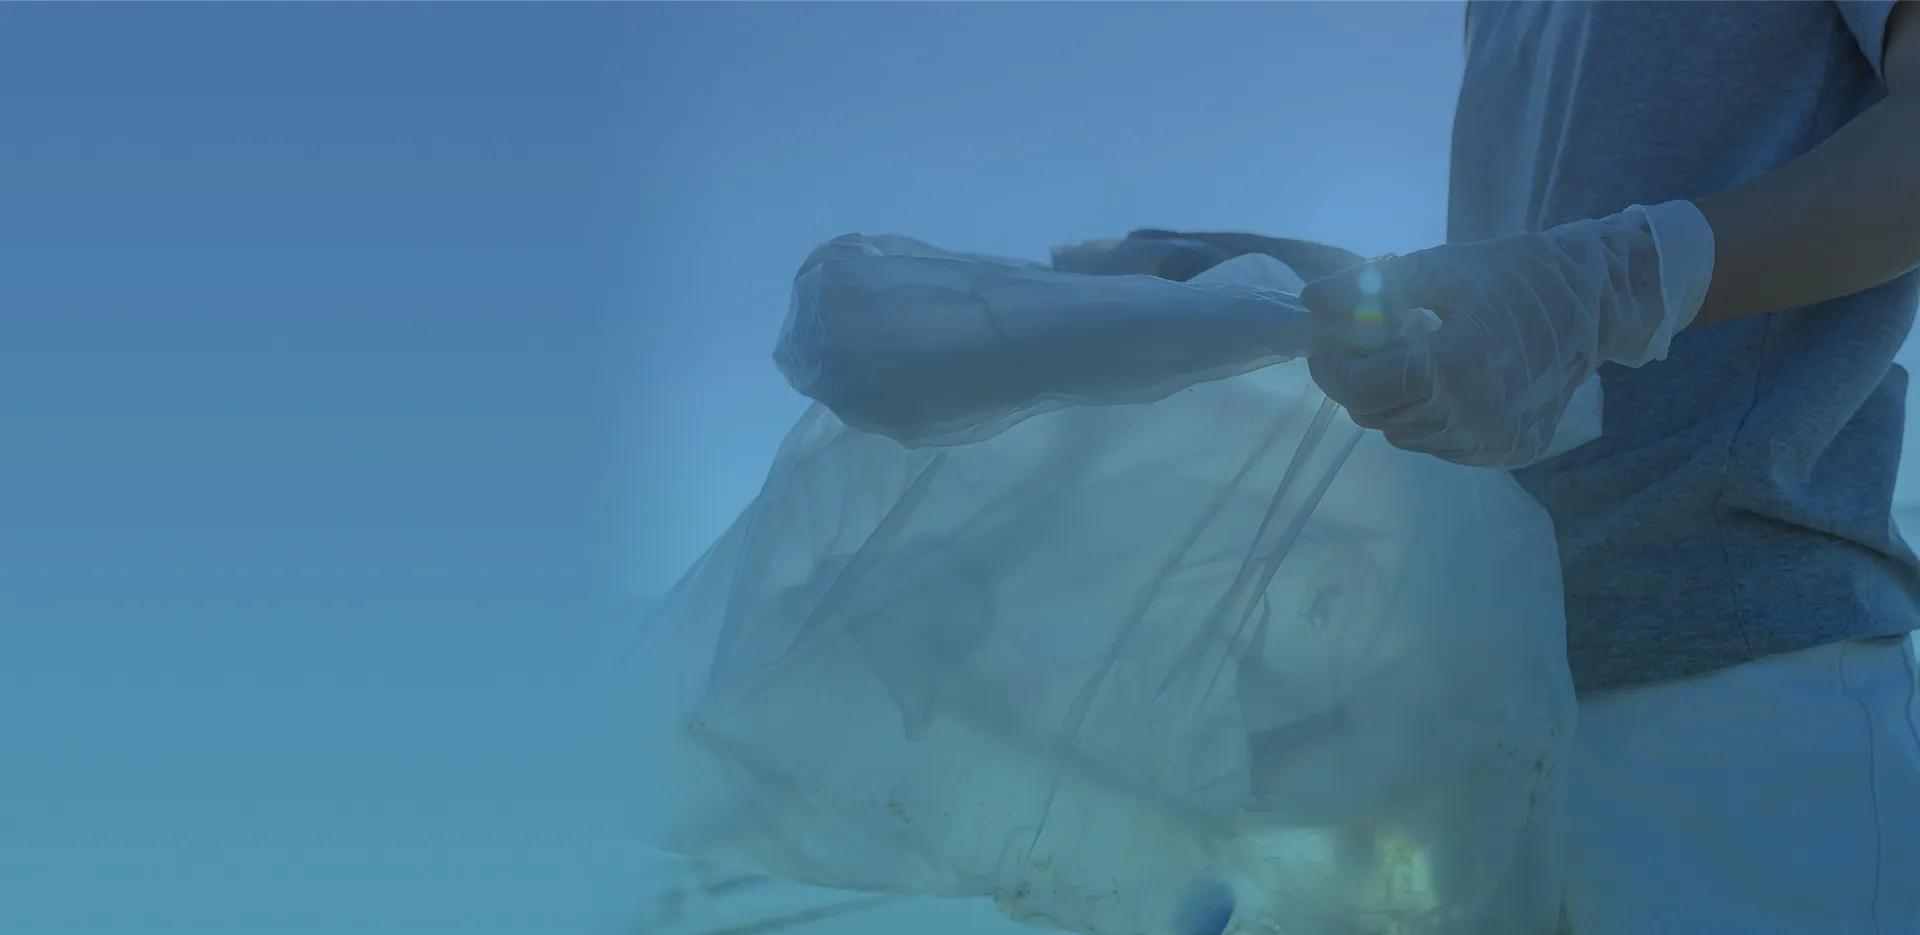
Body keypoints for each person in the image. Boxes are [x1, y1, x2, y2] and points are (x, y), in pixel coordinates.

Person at [1297, 2, 1920, 932]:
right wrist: (1248, 283)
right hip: (1500, 697)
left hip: (1740, 689)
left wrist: (1626, 277)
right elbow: (1509, 282)